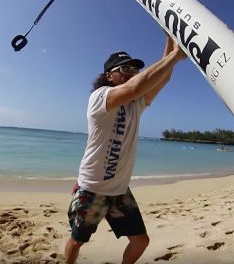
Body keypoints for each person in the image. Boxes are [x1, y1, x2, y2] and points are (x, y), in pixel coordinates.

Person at [64, 35, 186, 264]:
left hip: (119, 191)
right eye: (125, 69)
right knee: (77, 240)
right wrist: (174, 56)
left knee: (141, 241)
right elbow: (135, 86)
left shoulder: (135, 105)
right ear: (109, 76)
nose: (132, 72)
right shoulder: (99, 98)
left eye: (134, 69)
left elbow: (161, 79)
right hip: (92, 189)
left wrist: (170, 38)